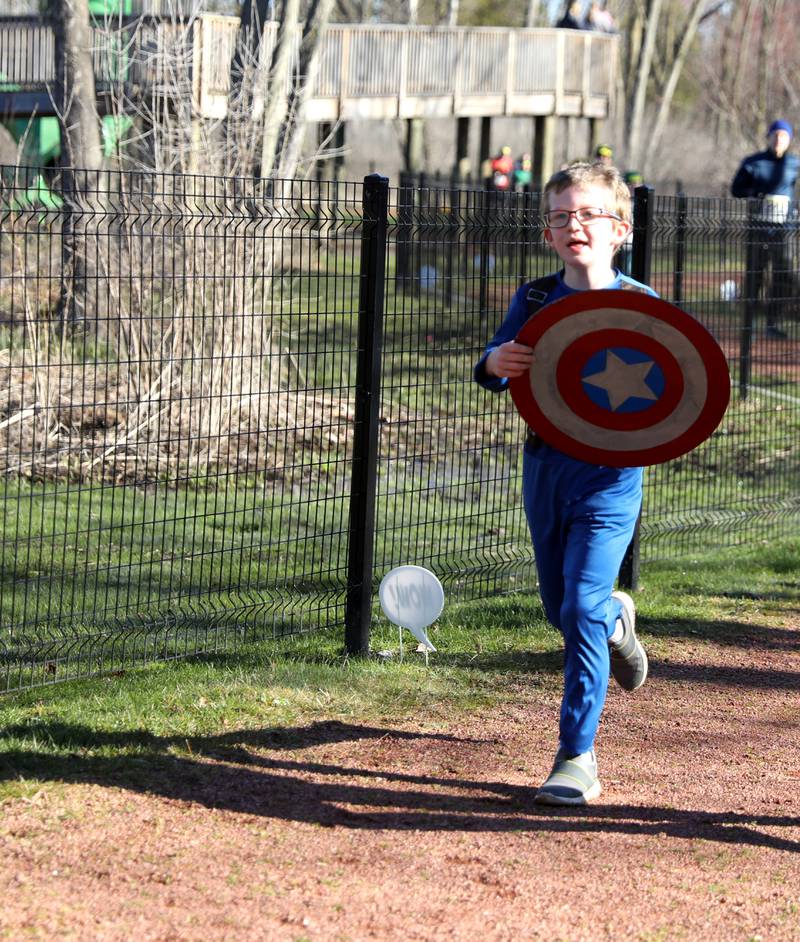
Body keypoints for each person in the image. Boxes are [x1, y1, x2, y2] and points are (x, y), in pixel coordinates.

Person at [473, 161, 654, 806]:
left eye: (587, 213)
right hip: (546, 468)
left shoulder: (642, 306)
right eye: (561, 216)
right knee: (565, 611)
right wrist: (495, 360)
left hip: (611, 479)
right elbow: (493, 366)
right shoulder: (537, 298)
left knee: (577, 607)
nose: (573, 225)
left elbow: (677, 394)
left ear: (620, 229)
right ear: (548, 232)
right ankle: (616, 622)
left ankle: (577, 756)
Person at [731, 119, 800, 339]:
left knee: (784, 274)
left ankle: (772, 323)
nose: (779, 139)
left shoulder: (794, 164)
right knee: (755, 275)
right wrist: (755, 195)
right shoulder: (753, 163)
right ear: (768, 137)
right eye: (776, 135)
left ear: (789, 140)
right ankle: (748, 326)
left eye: (784, 136)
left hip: (784, 229)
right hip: (758, 227)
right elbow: (736, 189)